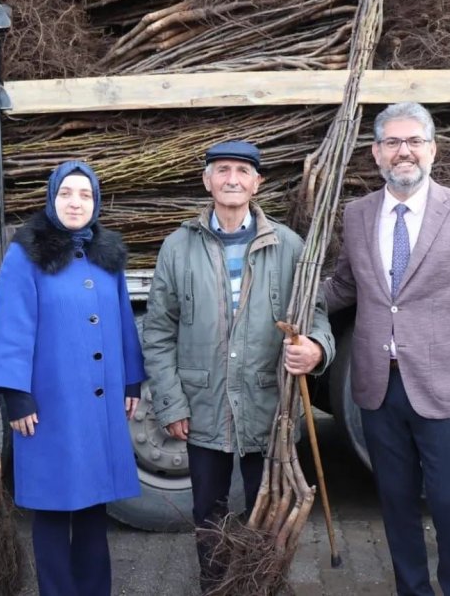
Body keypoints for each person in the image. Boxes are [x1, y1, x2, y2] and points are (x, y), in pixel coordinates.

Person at [322, 101, 450, 596]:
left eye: (414, 141)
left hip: (448, 389)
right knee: (396, 501)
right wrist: (290, 300)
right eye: (393, 142)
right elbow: (344, 286)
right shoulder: (357, 215)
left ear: (432, 150)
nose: (404, 152)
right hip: (379, 388)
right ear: (376, 154)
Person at [141, 140, 336, 593]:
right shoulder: (178, 246)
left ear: (257, 183)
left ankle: (260, 584)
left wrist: (317, 350)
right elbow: (158, 331)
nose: (232, 178)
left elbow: (318, 316)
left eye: (243, 171)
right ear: (207, 180)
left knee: (265, 509)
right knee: (208, 514)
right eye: (222, 169)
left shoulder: (288, 245)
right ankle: (214, 585)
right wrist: (170, 403)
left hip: (269, 408)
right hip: (202, 405)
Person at [0, 160, 145, 596]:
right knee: (53, 508)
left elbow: (123, 321)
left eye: (85, 195)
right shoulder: (26, 253)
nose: (76, 203)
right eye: (67, 194)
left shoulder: (107, 253)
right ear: (52, 198)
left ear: (95, 202)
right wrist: (16, 396)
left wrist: (131, 380)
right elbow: (12, 327)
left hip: (98, 404)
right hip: (50, 407)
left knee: (94, 507)